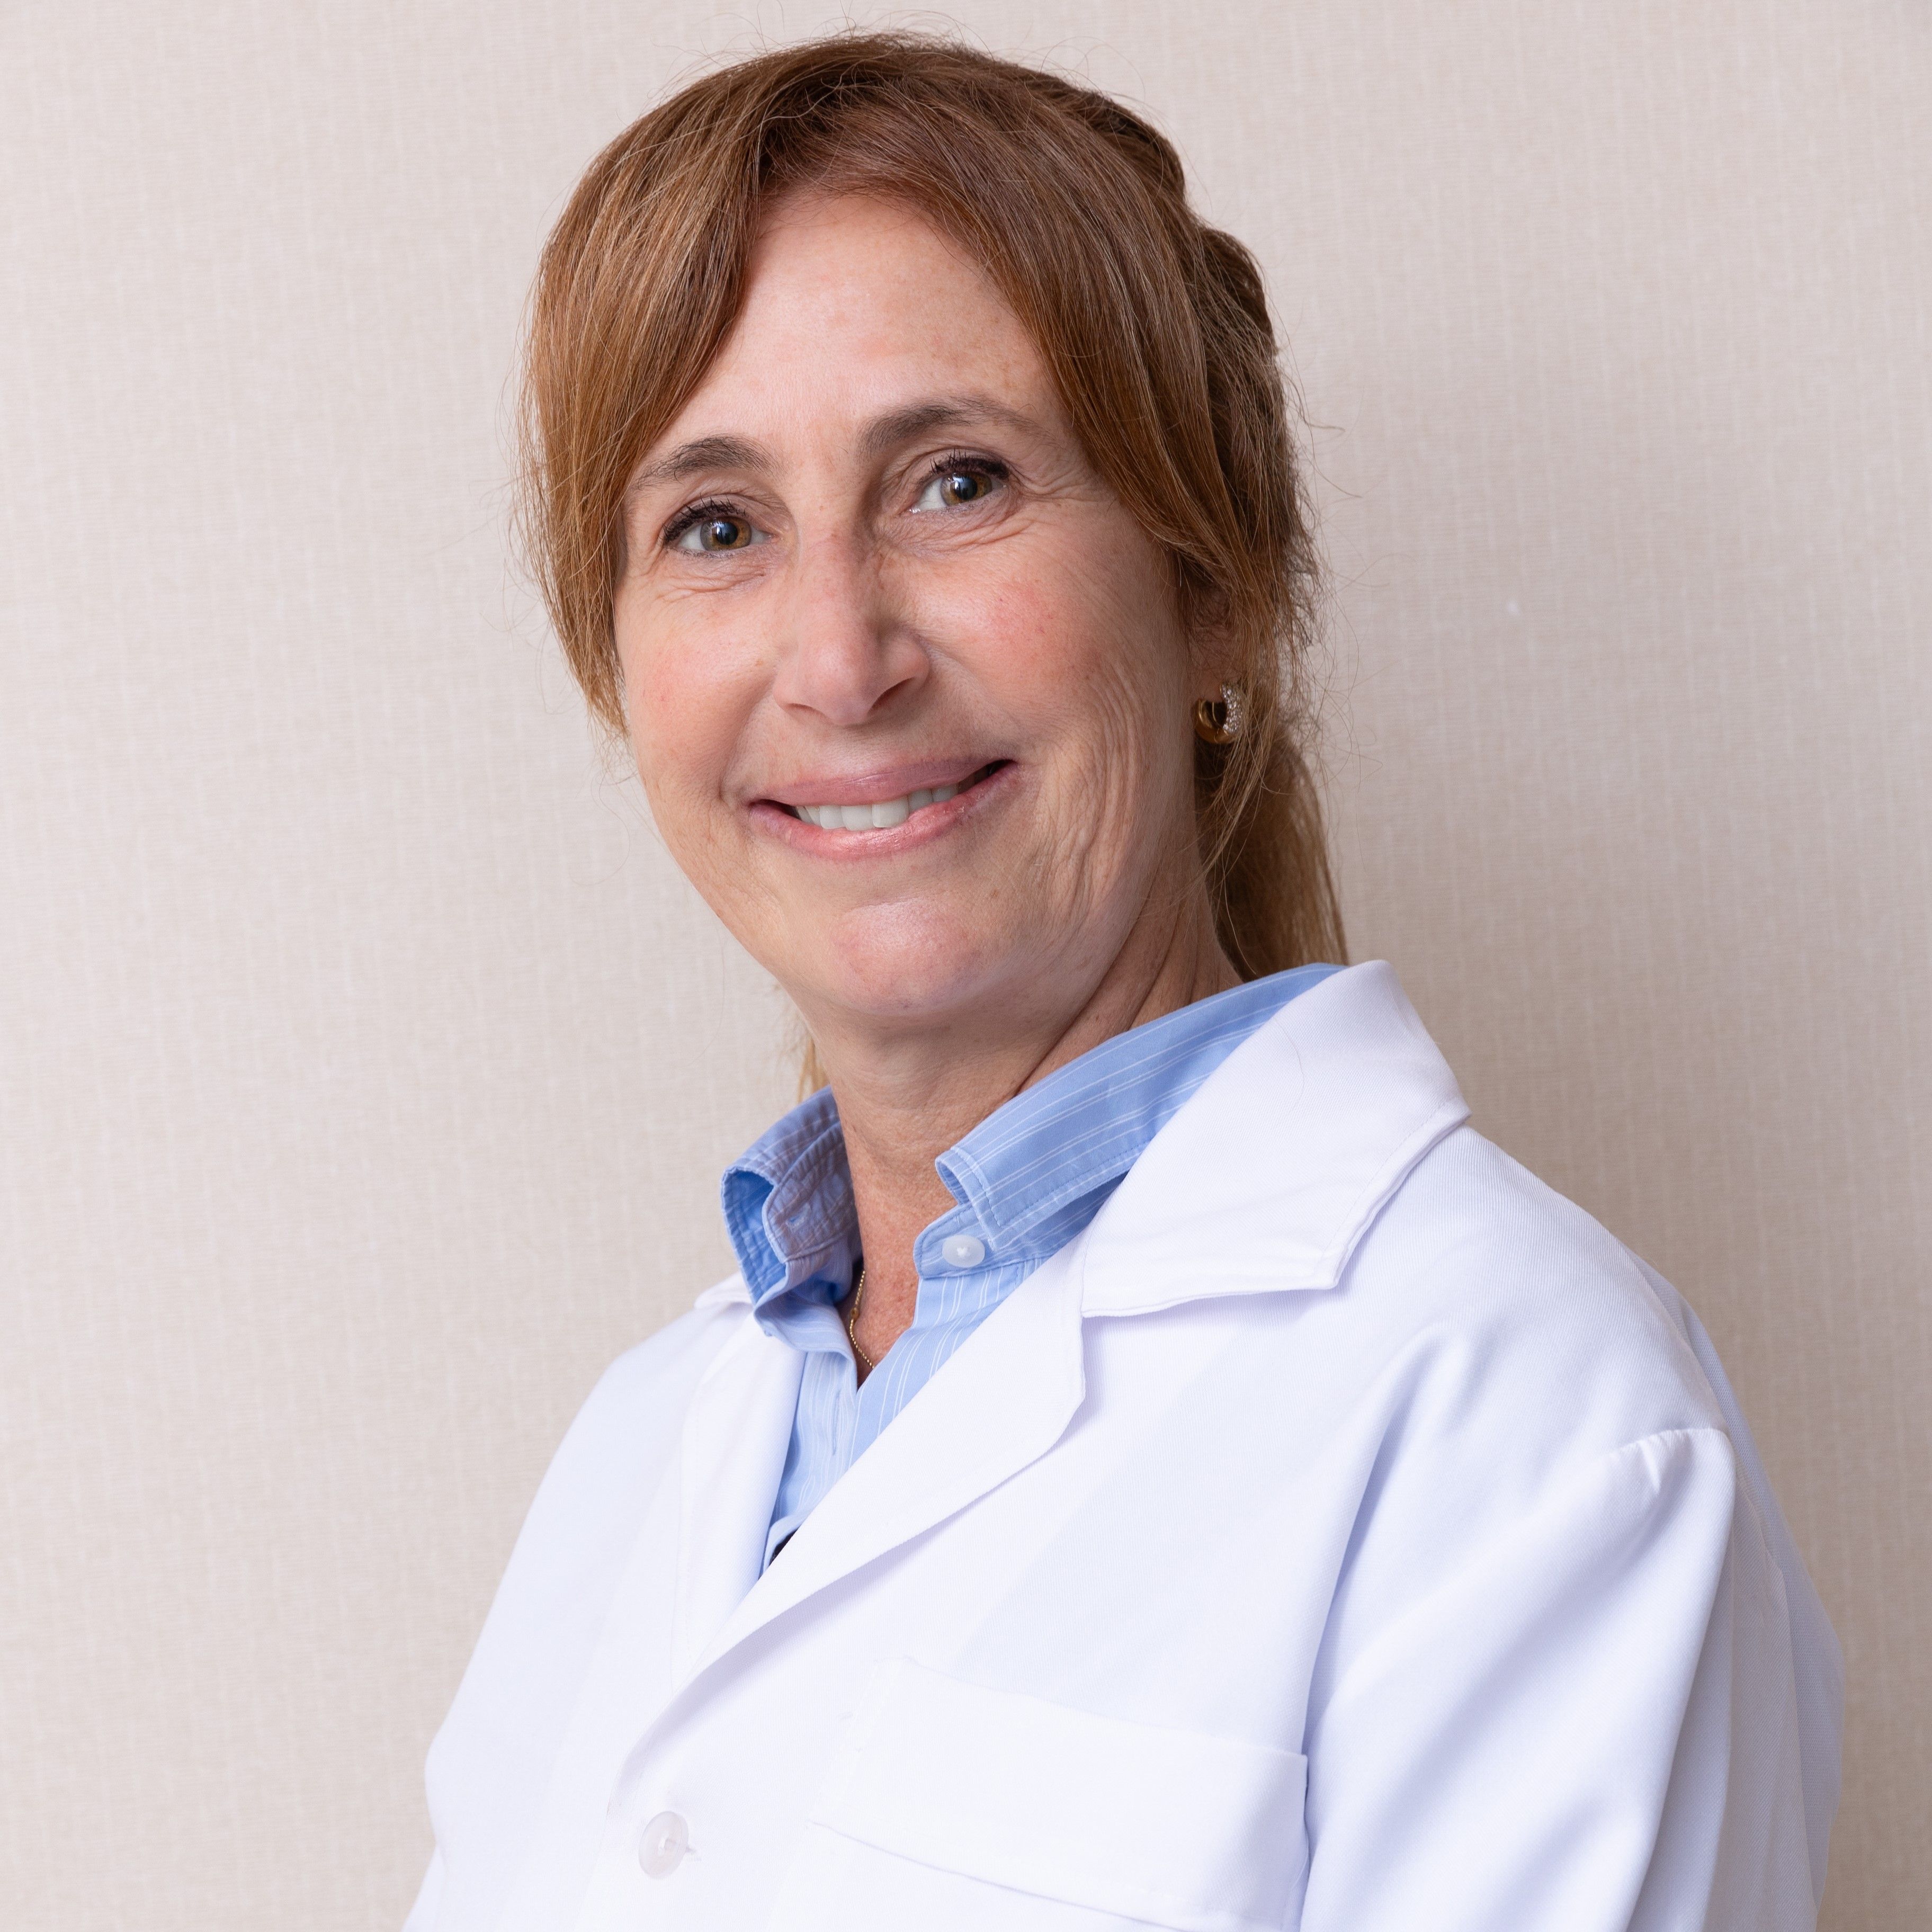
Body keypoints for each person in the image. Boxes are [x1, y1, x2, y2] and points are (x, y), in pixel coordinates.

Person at [406, 32, 1840, 1932]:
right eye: (716, 526)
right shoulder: (646, 1448)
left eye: (957, 482)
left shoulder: (1533, 1422)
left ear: (1213, 585)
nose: (837, 658)